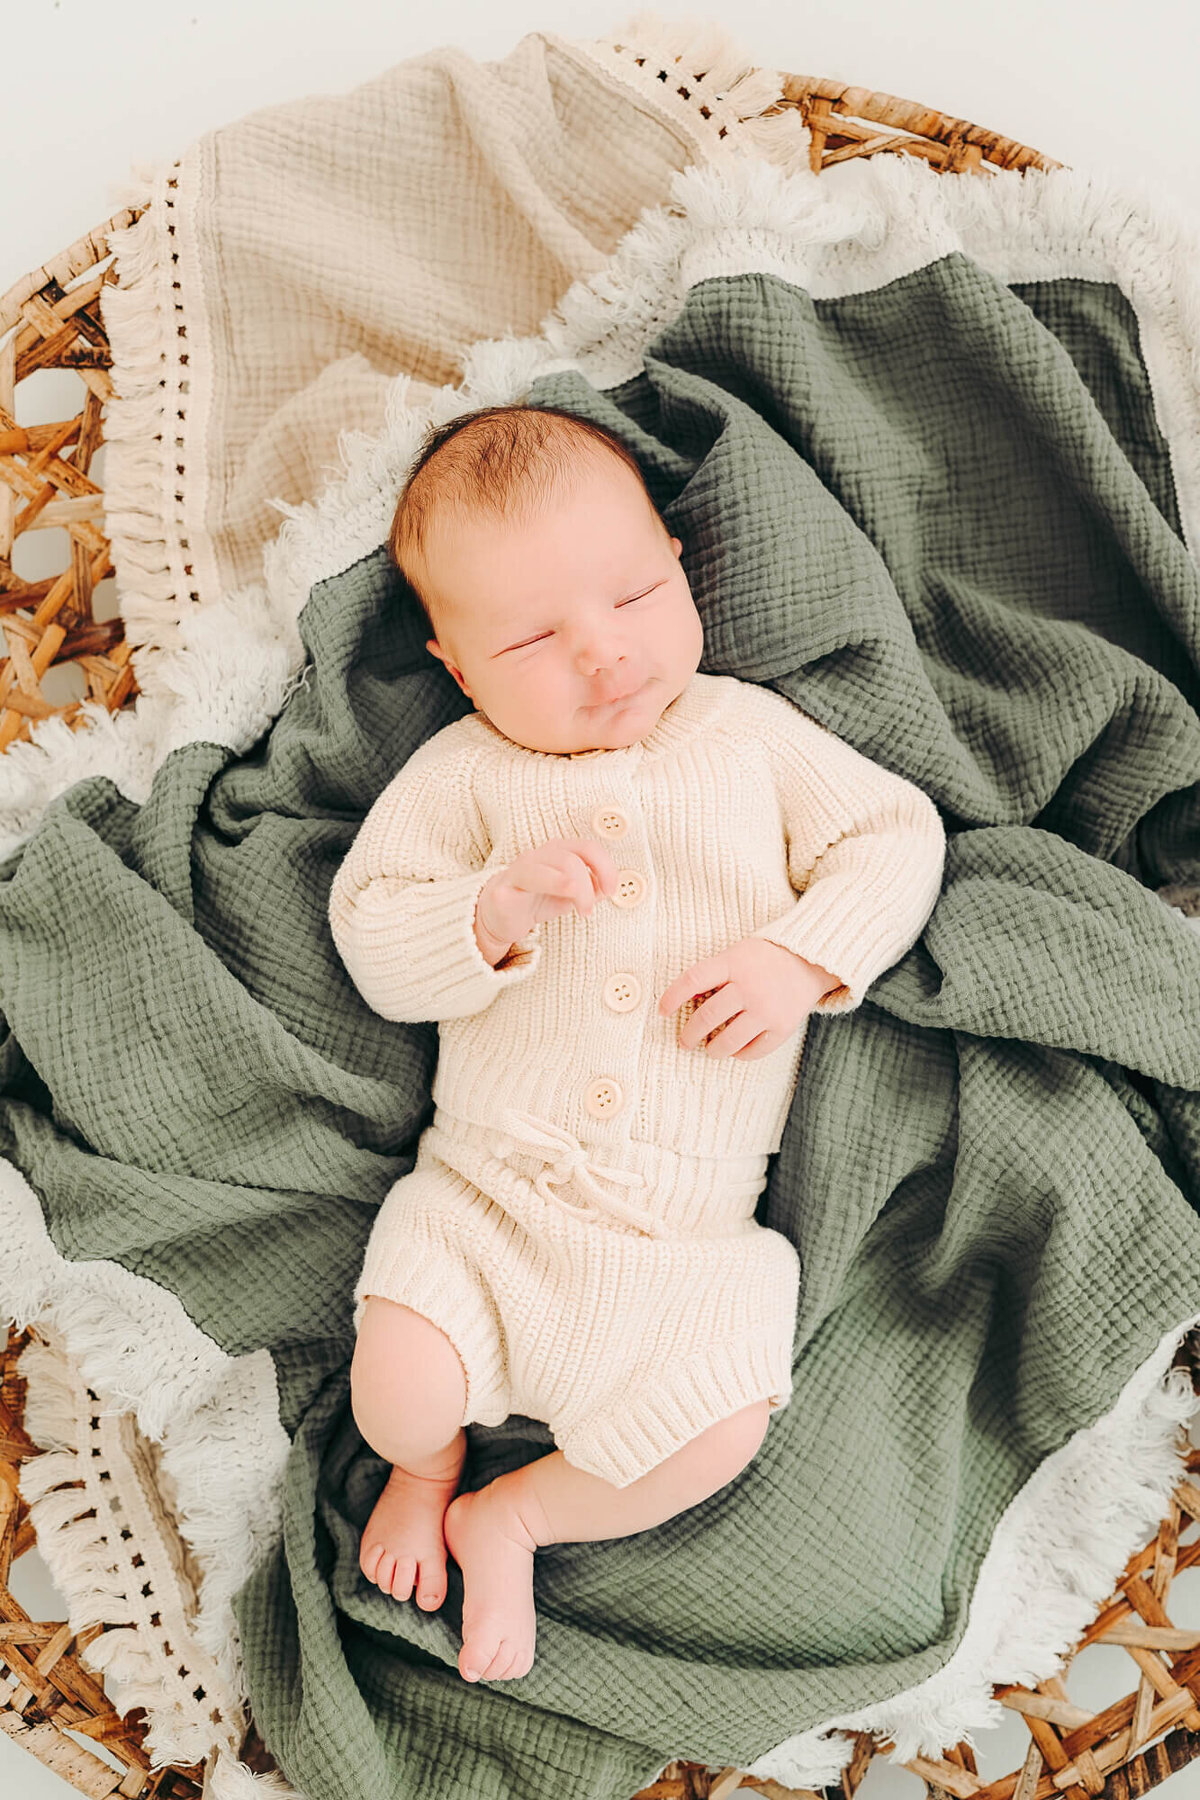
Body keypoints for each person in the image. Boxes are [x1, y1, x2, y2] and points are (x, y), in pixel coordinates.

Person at [327, 402, 946, 1688]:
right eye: (538, 638)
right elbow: (372, 936)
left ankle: (520, 1515)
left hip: (685, 1242)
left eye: (636, 594)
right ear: (456, 664)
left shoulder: (747, 738)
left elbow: (895, 839)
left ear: (678, 557)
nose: (605, 656)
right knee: (398, 1380)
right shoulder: (467, 776)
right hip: (485, 1205)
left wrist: (802, 956)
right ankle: (428, 1467)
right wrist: (483, 915)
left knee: (722, 1423)